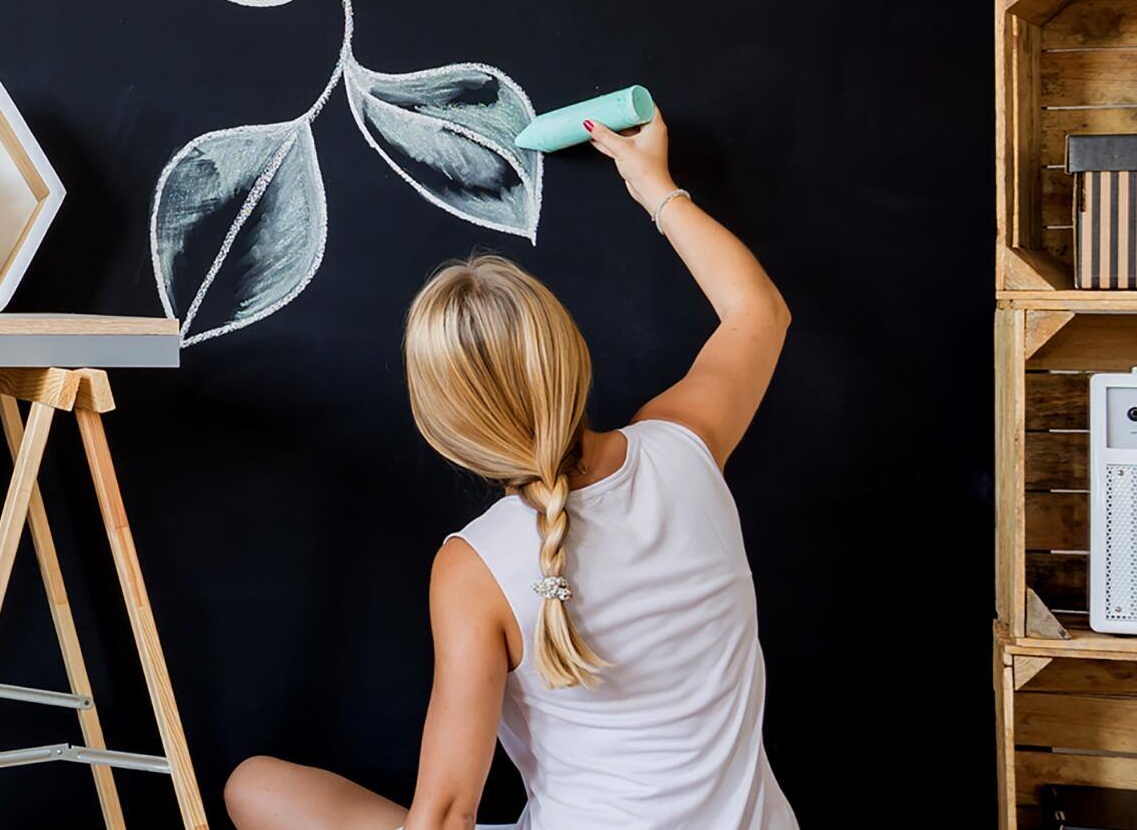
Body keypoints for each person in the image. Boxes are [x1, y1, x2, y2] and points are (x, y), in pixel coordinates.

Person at [223, 106, 798, 830]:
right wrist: (654, 184)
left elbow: (444, 818)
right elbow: (757, 312)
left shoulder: (475, 569)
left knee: (254, 787)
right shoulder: (685, 446)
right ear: (572, 356)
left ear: (446, 428)